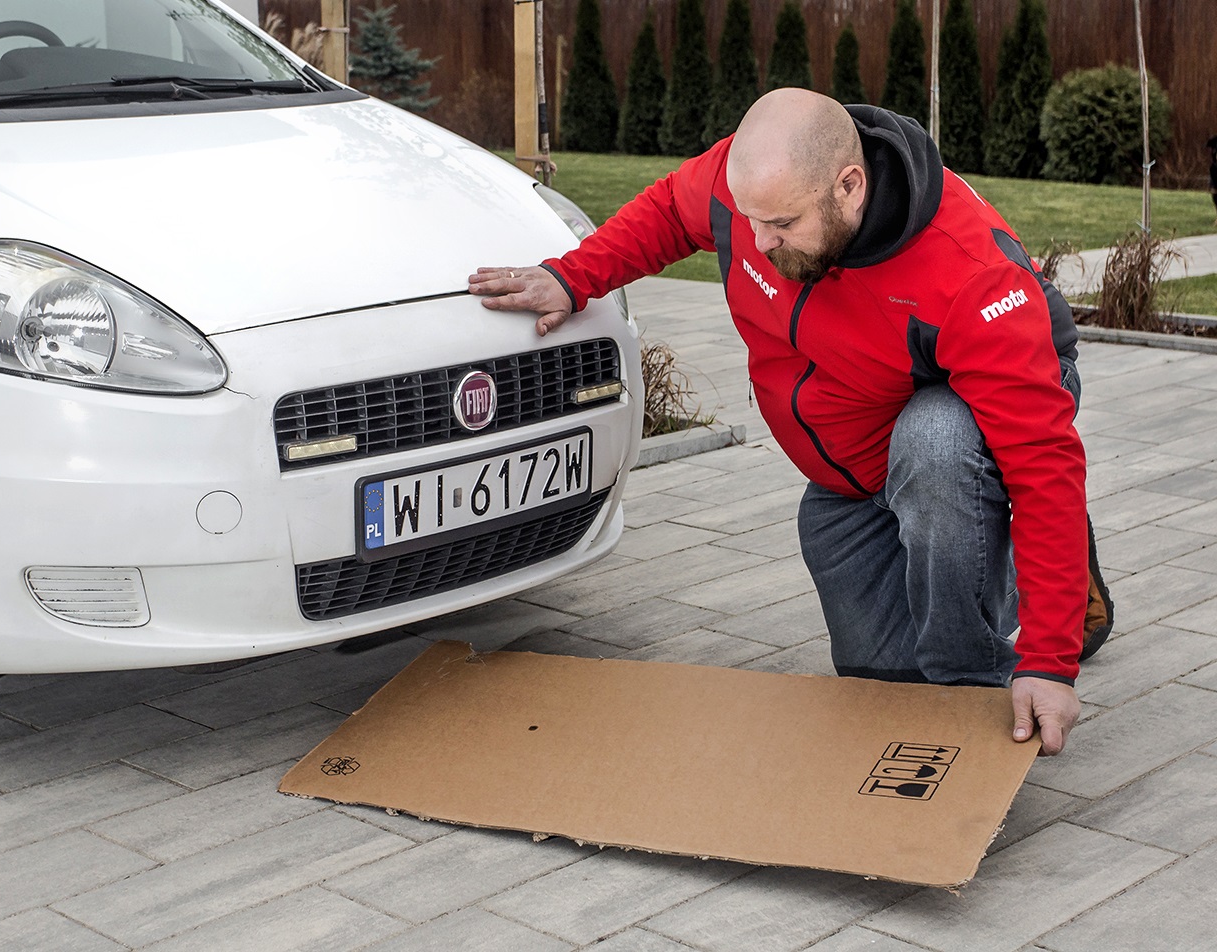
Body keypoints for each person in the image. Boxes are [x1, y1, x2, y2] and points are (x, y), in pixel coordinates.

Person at [468, 88, 1111, 756]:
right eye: (750, 218)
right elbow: (668, 212)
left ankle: (972, 671)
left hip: (990, 400)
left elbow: (1042, 467)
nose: (758, 239)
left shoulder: (968, 274)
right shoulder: (757, 187)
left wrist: (1047, 661)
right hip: (860, 441)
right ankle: (971, 545)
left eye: (780, 223)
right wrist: (573, 278)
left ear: (848, 185)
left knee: (938, 448)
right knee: (875, 675)